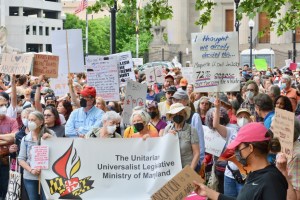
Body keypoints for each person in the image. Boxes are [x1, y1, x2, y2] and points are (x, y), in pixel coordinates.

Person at [193, 122, 288, 200]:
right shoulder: (254, 173)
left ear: (250, 148)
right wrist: (208, 192)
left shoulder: (272, 180)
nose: (236, 151)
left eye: (239, 147)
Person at [18, 111, 55, 200]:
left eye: (33, 120)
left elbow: (58, 153)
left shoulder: (51, 134)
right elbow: (21, 159)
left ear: (41, 122)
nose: (30, 122)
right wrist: (31, 170)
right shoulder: (25, 139)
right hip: (30, 177)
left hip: (48, 176)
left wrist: (52, 140)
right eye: (29, 120)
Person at [162, 103, 200, 169]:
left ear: (185, 115)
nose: (178, 116)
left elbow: (196, 153)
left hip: (186, 168)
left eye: (180, 113)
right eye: (175, 114)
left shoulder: (191, 130)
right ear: (171, 117)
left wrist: (190, 170)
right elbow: (163, 149)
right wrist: (167, 137)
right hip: (171, 169)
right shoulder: (167, 129)